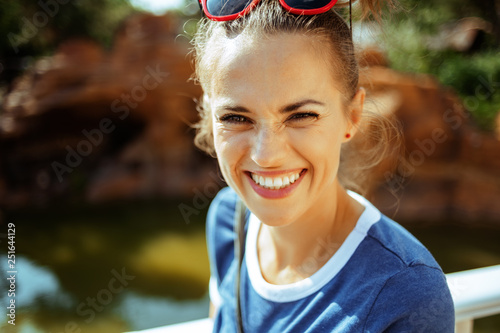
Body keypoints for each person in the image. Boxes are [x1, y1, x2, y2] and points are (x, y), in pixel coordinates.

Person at [192, 0, 455, 331]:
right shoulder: (228, 219)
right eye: (235, 117)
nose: (266, 155)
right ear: (208, 115)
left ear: (352, 115)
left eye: (301, 115)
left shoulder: (405, 294)